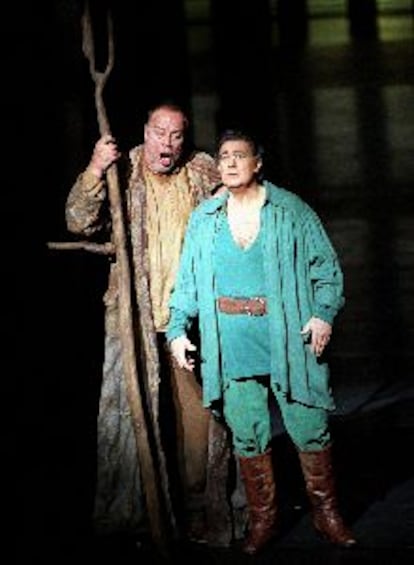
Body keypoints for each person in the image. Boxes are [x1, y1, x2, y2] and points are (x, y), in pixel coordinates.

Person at [167, 128, 357, 554]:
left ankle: (327, 516)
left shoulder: (291, 211)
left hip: (287, 333)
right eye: (224, 156)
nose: (230, 162)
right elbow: (188, 281)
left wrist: (323, 314)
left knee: (309, 426)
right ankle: (263, 521)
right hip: (231, 339)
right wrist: (178, 328)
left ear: (258, 163)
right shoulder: (206, 218)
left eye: (240, 155)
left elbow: (326, 269)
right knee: (248, 432)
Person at [65, 102, 241, 546]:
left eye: (177, 135)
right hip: (134, 320)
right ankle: (135, 515)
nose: (167, 144)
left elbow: (245, 197)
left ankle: (202, 509)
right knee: (134, 418)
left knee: (199, 423)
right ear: (145, 131)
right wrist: (93, 168)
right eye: (160, 133)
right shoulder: (120, 171)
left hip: (188, 323)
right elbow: (79, 221)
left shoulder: (200, 172)